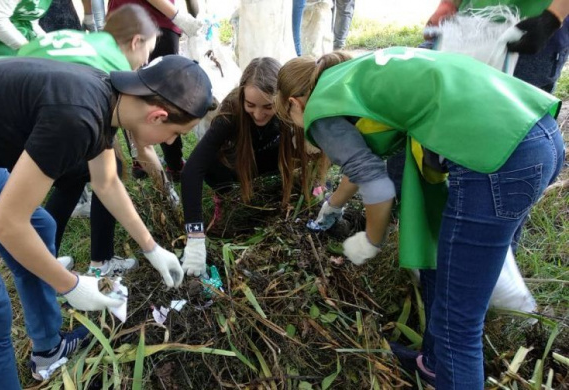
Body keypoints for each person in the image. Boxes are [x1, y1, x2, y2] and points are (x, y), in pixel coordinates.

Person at [0, 54, 213, 389]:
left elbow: (107, 181)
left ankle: (49, 349)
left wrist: (151, 248)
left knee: (41, 227)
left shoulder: (109, 97)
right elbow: (6, 225)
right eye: (174, 134)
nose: (170, 143)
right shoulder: (75, 118)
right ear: (158, 115)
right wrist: (69, 284)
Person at [275, 48, 564, 389]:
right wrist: (333, 206)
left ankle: (453, 366)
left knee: (458, 323)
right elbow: (361, 165)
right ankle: (436, 364)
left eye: (289, 118)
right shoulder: (355, 73)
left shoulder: (320, 108)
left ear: (295, 103)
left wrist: (370, 240)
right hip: (539, 133)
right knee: (444, 270)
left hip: (498, 162)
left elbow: (378, 187)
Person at [18, 4, 182, 276]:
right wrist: (167, 192)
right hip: (34, 118)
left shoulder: (90, 40)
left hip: (21, 106)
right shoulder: (112, 66)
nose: (143, 63)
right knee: (109, 168)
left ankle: (48, 254)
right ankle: (95, 263)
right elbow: (121, 151)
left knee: (74, 175)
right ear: (135, 41)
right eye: (146, 53)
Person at [179, 57, 316, 277]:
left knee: (274, 188)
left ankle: (279, 192)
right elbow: (192, 170)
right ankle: (224, 198)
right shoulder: (231, 112)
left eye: (268, 106)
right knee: (217, 166)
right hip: (233, 165)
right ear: (242, 96)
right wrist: (195, 236)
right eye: (250, 105)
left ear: (280, 100)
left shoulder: (290, 109)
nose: (259, 114)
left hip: (267, 159)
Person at [107, 0, 204, 181]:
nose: (145, 63)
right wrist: (177, 15)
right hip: (155, 21)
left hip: (128, 19)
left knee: (131, 93)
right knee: (167, 96)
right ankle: (169, 163)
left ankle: (146, 160)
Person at [424, 0, 569, 93]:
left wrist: (553, 17)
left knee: (510, 128)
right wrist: (449, 3)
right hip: (465, 25)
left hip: (527, 32)